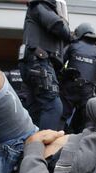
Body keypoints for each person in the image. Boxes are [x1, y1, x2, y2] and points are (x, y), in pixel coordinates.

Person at [18, 0, 71, 130]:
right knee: (53, 106)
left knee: (35, 110)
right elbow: (59, 26)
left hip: (35, 64)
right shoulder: (39, 6)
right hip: (38, 62)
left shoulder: (38, 8)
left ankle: (30, 146)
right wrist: (72, 36)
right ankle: (43, 148)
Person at [60, 23, 96, 133]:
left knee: (61, 118)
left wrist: (61, 77)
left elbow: (58, 63)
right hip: (87, 91)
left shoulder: (72, 45)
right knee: (88, 123)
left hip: (69, 88)